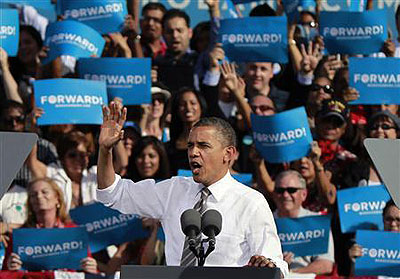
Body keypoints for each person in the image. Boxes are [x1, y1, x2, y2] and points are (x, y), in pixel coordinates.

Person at [96, 102, 288, 276]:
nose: (193, 152)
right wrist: (105, 151)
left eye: (203, 146)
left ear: (228, 154)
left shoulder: (250, 202)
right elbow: (112, 193)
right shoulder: (173, 190)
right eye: (190, 145)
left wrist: (268, 265)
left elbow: (276, 266)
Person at [3, 178, 97, 273]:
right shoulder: (20, 236)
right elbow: (5, 274)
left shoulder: (74, 232)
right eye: (33, 195)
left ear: (57, 198)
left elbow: (88, 270)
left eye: (44, 192)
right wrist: (10, 267)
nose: (39, 196)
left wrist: (91, 268)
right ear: (30, 203)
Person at [272, 170, 335, 275]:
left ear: (304, 194)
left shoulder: (317, 221)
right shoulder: (265, 222)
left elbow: (326, 264)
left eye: (291, 190)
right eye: (280, 190)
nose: (285, 195)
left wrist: (291, 273)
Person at [348, 200, 400, 275]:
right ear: (383, 220)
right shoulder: (368, 245)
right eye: (389, 219)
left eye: (398, 219)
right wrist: (355, 262)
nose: (393, 224)